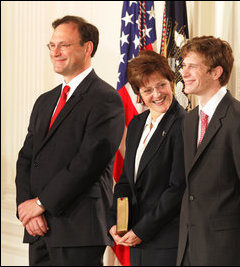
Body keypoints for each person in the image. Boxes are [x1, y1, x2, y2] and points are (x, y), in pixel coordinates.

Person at [15, 15, 125, 265]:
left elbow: (87, 164)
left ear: (88, 48)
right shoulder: (45, 101)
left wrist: (41, 204)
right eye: (52, 45)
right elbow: (27, 158)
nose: (56, 52)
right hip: (38, 229)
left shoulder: (105, 99)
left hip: (79, 230)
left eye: (64, 45)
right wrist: (26, 208)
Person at [176, 35, 240, 266]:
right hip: (188, 245)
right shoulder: (189, 120)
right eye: (183, 65)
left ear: (216, 73)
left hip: (225, 249)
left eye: (192, 66)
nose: (183, 73)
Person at [107, 50, 186, 266]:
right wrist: (117, 222)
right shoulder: (136, 124)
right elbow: (125, 181)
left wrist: (142, 230)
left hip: (165, 240)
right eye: (148, 90)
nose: (157, 94)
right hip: (135, 239)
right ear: (139, 95)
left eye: (162, 85)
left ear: (172, 82)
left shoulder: (184, 124)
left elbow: (177, 188)